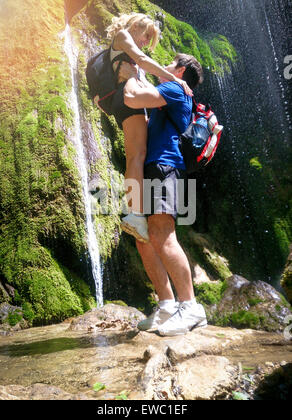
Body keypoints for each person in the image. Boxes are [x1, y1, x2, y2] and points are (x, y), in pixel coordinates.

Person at [121, 53, 208, 336]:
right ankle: (167, 304)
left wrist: (131, 73)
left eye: (169, 64)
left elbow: (133, 99)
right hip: (151, 167)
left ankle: (191, 307)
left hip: (164, 165)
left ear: (180, 70)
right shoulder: (170, 90)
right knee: (144, 238)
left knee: (161, 234)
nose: (164, 66)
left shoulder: (173, 86)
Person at [105, 13, 192, 243]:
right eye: (146, 36)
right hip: (127, 101)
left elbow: (140, 71)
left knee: (138, 156)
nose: (145, 43)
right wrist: (175, 80)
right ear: (135, 27)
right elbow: (143, 61)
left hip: (128, 100)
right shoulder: (123, 36)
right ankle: (134, 213)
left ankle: (136, 212)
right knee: (136, 156)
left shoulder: (128, 49)